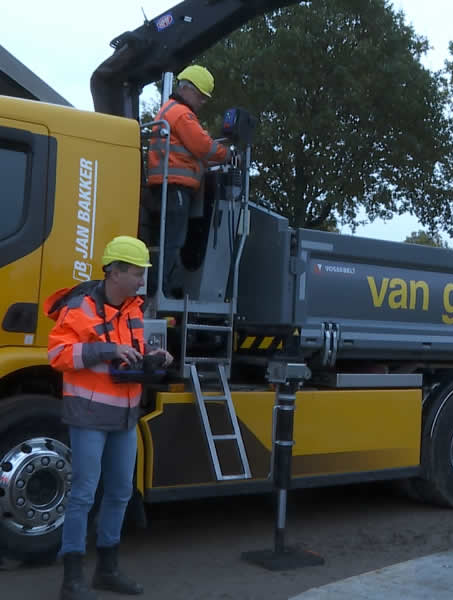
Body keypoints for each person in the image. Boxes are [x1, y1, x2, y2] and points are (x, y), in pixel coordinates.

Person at [45, 236, 173, 600]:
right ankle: (72, 580)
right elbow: (57, 354)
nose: (141, 280)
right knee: (83, 495)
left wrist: (153, 356)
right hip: (88, 414)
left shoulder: (133, 308)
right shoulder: (80, 306)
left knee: (119, 491)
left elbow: (130, 350)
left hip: (124, 416)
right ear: (115, 272)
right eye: (136, 272)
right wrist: (106, 349)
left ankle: (107, 570)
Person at [146, 64, 231, 298]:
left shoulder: (167, 110)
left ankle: (160, 285)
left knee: (165, 240)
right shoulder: (182, 114)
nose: (203, 102)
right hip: (175, 188)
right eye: (202, 97)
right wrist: (229, 154)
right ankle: (161, 288)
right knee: (173, 241)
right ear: (188, 89)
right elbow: (203, 145)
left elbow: (187, 151)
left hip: (164, 186)